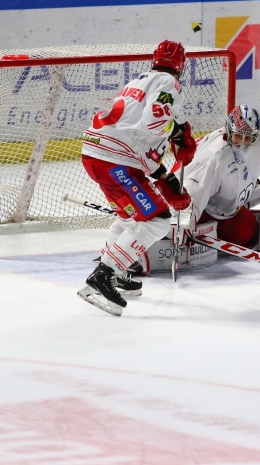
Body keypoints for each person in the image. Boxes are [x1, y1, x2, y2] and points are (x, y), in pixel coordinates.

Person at [77, 40, 197, 316]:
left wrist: (174, 141)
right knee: (157, 220)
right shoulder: (169, 83)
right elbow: (151, 126)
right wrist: (165, 172)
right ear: (182, 67)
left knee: (128, 217)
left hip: (96, 154)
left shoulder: (139, 81)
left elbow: (141, 131)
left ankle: (117, 273)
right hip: (115, 160)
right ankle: (104, 274)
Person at [181, 104, 260, 248]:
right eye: (237, 136)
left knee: (252, 236)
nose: (242, 143)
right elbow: (193, 188)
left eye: (248, 137)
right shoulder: (214, 157)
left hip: (223, 204)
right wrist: (184, 222)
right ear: (229, 130)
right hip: (197, 199)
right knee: (182, 239)